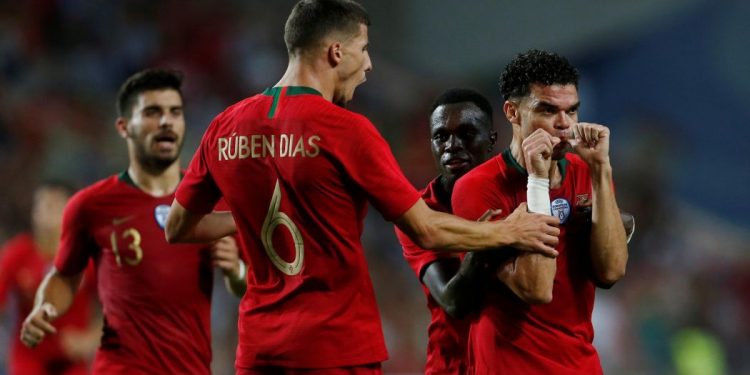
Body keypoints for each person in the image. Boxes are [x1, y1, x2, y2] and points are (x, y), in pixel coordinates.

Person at [165, 1, 561, 373]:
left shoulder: (225, 127)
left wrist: (255, 217)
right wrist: (507, 230)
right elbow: (426, 228)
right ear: (337, 52)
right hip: (335, 348)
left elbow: (179, 227)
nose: (369, 64)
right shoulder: (345, 129)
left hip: (258, 350)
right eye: (364, 49)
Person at [19, 69, 246, 375]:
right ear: (124, 127)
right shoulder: (91, 205)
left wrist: (235, 271)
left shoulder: (211, 204)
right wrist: (44, 307)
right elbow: (64, 276)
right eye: (153, 112)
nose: (166, 121)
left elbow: (250, 286)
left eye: (175, 112)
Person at [451, 49, 629, 374]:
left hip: (580, 364)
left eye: (571, 111)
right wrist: (537, 180)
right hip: (508, 365)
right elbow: (536, 288)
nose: (564, 124)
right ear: (513, 112)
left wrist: (602, 170)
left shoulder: (586, 173)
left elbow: (612, 271)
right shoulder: (477, 188)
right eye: (548, 110)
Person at [394, 88, 500, 374]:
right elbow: (454, 301)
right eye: (441, 136)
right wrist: (489, 238)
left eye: (466, 134)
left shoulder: (520, 195)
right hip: (454, 367)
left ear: (491, 139)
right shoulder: (418, 213)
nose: (452, 145)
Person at [0, 181, 99, 375]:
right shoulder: (17, 253)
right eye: (40, 205)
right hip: (28, 354)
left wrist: (89, 339)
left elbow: (116, 311)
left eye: (53, 205)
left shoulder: (87, 257)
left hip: (71, 356)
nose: (45, 213)